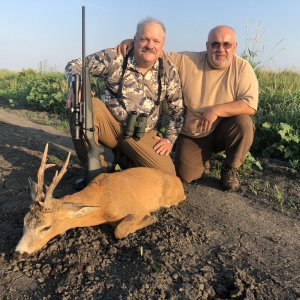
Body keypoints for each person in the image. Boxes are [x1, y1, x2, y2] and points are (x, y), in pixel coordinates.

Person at [117, 25, 259, 191]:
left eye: (226, 44)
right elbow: (157, 54)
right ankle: (199, 159)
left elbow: (249, 104)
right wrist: (134, 43)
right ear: (207, 46)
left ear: (235, 46)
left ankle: (230, 168)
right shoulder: (188, 60)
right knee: (186, 175)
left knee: (244, 123)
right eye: (215, 44)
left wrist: (216, 110)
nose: (220, 49)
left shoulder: (242, 67)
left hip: (223, 128)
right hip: (194, 132)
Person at [65, 18, 184, 178]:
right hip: (110, 126)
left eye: (156, 41)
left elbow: (178, 111)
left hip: (141, 134)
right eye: (144, 39)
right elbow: (75, 65)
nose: (150, 45)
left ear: (163, 45)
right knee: (84, 106)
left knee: (167, 176)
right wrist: (75, 85)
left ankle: (125, 159)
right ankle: (96, 169)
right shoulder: (116, 57)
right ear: (135, 40)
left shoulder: (168, 72)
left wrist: (169, 140)